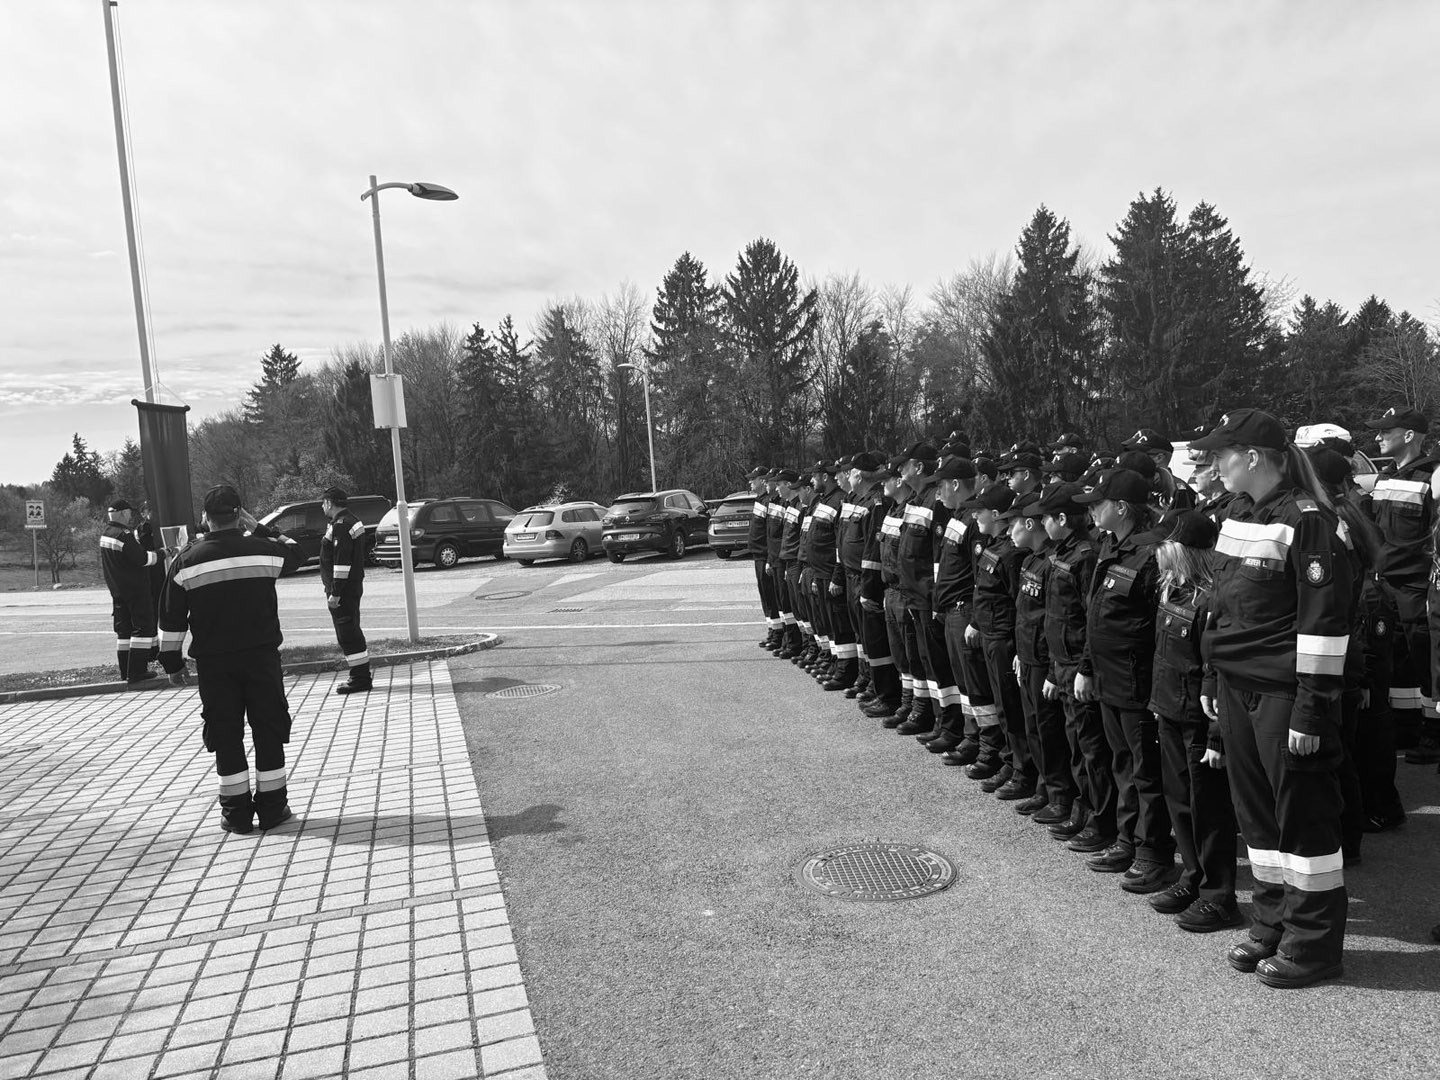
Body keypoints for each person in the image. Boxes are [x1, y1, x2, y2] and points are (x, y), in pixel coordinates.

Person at [1192, 409, 1353, 989]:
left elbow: (1324, 627)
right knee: (1256, 816)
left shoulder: (1308, 522)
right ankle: (1272, 923)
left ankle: (1313, 946)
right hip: (1237, 687)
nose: (1214, 464)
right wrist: (1213, 678)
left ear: (1254, 457)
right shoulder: (1237, 513)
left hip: (1285, 693)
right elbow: (1222, 606)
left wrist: (1311, 708)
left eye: (1222, 453)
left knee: (1302, 820)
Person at [157, 485, 305, 834]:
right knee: (268, 728)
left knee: (225, 733)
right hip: (261, 659)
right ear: (240, 515)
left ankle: (236, 814)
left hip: (215, 666)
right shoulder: (263, 551)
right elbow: (297, 553)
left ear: (205, 518)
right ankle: (272, 808)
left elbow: (171, 619)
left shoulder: (187, 560)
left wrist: (172, 664)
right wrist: (260, 528)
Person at [1075, 469, 1175, 892]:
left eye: (1098, 504)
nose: (1092, 512)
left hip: (1138, 679)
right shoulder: (1111, 546)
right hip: (1109, 675)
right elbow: (1096, 613)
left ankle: (1154, 855)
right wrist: (1086, 667)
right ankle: (1127, 841)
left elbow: (1161, 624)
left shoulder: (1153, 552)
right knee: (1123, 765)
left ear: (1120, 507)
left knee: (1146, 771)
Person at [1147, 510, 1241, 931]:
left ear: (1185, 551)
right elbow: (1164, 656)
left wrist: (1218, 737)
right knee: (1180, 803)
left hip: (1200, 724)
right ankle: (1193, 878)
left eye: (1166, 546)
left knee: (1210, 811)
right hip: (1171, 711)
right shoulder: (1174, 590)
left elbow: (1219, 671)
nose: (1158, 552)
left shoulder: (1213, 601)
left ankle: (1219, 897)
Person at [1364, 405, 1440, 767]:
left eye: (1386, 431)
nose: (1378, 436)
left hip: (1416, 585)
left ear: (1408, 436)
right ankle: (1407, 725)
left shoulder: (1431, 478)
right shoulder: (1384, 477)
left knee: (1426, 658)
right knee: (1396, 660)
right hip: (1386, 584)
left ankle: (1434, 731)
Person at [100, 497, 161, 685]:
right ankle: (137, 671)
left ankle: (125, 671)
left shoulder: (106, 534)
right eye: (128, 513)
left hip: (118, 592)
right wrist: (163, 554)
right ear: (122, 513)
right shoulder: (124, 535)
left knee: (124, 633)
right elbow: (142, 559)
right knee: (142, 629)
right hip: (135, 591)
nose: (130, 517)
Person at [320, 487, 372, 695]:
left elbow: (341, 563)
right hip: (352, 586)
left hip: (343, 590)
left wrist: (335, 593)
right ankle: (361, 676)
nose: (322, 506)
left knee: (348, 634)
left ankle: (360, 679)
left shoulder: (341, 526)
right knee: (352, 630)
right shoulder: (352, 520)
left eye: (323, 502)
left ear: (329, 503)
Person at [747, 467, 783, 649]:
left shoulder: (769, 502)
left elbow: (771, 534)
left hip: (765, 555)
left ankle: (778, 633)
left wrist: (769, 557)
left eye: (753, 479)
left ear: (762, 480)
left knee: (771, 596)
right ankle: (772, 630)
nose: (750, 482)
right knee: (765, 597)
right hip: (758, 555)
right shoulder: (760, 500)